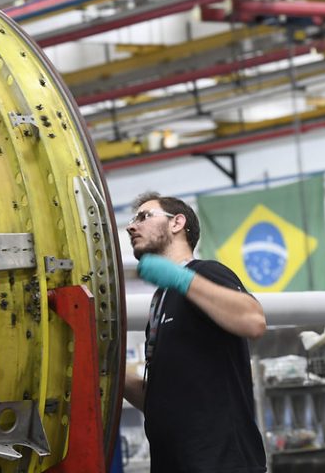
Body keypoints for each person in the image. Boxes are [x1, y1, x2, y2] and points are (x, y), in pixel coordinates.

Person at [123, 191, 267, 472]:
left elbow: (253, 320)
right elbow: (161, 399)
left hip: (221, 463)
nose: (131, 226)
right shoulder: (162, 299)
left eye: (144, 216)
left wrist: (181, 278)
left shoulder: (206, 272)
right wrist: (109, 371)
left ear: (177, 223)